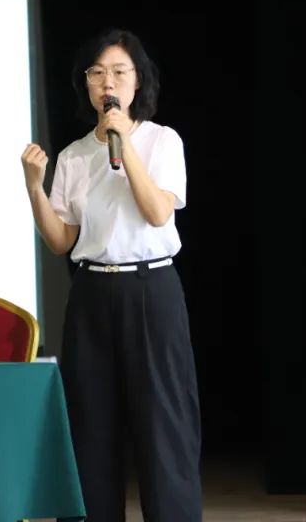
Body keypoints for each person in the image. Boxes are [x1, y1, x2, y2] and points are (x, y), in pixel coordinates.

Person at [21, 29, 202, 521]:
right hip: (93, 293)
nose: (108, 82)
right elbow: (61, 240)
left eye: (120, 72)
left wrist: (125, 144)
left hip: (151, 289)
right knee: (91, 427)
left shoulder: (162, 141)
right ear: (86, 84)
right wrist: (35, 188)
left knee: (164, 425)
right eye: (97, 72)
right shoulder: (75, 155)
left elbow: (157, 212)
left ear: (137, 81)